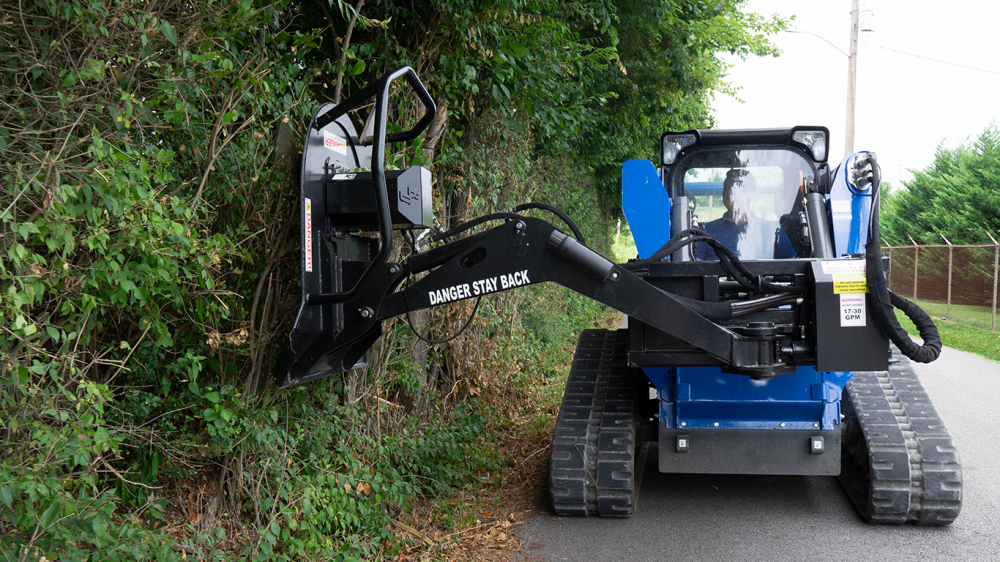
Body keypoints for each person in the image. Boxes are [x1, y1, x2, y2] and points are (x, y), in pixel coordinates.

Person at [696, 168, 795, 260]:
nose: (729, 191)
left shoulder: (774, 230)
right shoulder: (705, 231)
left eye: (736, 186)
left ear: (750, 193)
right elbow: (695, 267)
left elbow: (793, 266)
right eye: (726, 187)